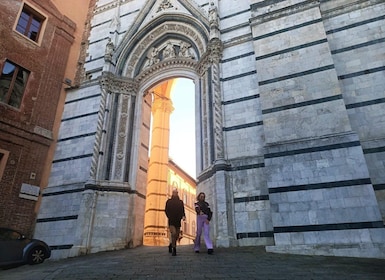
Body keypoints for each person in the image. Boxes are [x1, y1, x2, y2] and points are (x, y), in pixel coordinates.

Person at [165, 188, 186, 256]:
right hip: (171, 220)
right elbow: (166, 210)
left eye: (176, 192)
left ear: (177, 193)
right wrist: (169, 216)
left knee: (176, 235)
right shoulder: (169, 201)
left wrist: (183, 216)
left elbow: (183, 210)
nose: (175, 193)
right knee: (173, 233)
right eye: (174, 192)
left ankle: (171, 244)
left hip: (178, 220)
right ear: (172, 193)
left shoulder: (180, 202)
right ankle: (174, 249)